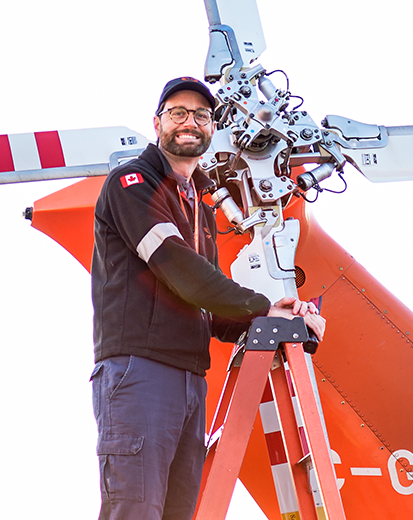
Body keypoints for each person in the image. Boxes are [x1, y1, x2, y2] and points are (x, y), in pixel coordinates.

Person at [89, 77, 325, 520]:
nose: (189, 123)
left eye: (200, 116)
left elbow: (210, 310)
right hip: (140, 373)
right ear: (157, 122)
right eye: (178, 113)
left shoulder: (198, 204)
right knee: (135, 509)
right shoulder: (131, 184)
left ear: (213, 128)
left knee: (180, 512)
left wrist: (274, 320)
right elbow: (182, 271)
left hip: (189, 381)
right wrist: (262, 307)